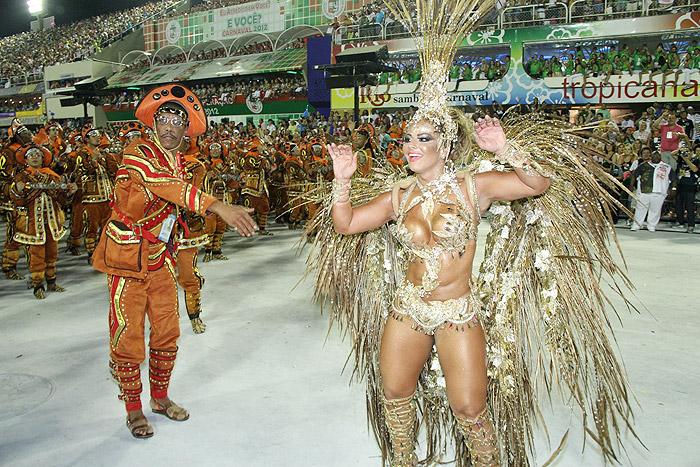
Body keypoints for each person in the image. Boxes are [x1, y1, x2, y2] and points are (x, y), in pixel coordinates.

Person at [307, 1, 638, 465]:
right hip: (406, 310)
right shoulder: (397, 196)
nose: (412, 147)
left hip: (457, 311)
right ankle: (402, 460)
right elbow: (344, 225)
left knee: (470, 407)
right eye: (407, 138)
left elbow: (535, 184)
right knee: (395, 397)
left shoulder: (472, 188)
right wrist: (342, 179)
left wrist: (505, 148)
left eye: (423, 139)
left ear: (445, 143)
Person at [91, 84, 257, 439]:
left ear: (186, 130)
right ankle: (134, 409)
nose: (168, 127)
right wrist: (218, 206)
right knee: (127, 335)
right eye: (162, 119)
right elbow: (161, 185)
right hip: (125, 260)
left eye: (176, 121)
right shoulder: (137, 153)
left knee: (167, 333)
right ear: (153, 123)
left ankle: (160, 398)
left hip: (161, 258)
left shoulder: (183, 162)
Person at [10, 143, 77, 298]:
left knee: (52, 253)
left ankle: (52, 282)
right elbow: (17, 201)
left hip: (52, 222)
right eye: (31, 155)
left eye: (38, 155)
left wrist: (69, 193)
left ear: (43, 158)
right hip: (33, 223)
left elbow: (62, 200)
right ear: (25, 159)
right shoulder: (22, 177)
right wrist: (18, 191)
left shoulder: (53, 176)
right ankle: (38, 285)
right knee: (37, 255)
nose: (34, 157)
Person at [630, 149, 673, 232]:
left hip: (659, 192)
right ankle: (636, 225)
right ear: (651, 156)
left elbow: (673, 179)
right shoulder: (643, 165)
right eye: (654, 155)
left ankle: (651, 226)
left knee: (655, 210)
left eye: (658, 155)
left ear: (660, 157)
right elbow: (634, 175)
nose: (656, 156)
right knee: (640, 209)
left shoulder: (666, 167)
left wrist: (673, 189)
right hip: (644, 191)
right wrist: (632, 185)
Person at [670, 144, 699, 232]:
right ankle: (680, 221)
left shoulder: (696, 161)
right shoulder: (681, 160)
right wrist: (680, 151)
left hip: (690, 187)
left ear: (692, 153)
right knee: (679, 205)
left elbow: (695, 169)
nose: (687, 154)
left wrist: (687, 160)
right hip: (680, 185)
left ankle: (691, 224)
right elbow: (672, 154)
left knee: (689, 206)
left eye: (689, 152)